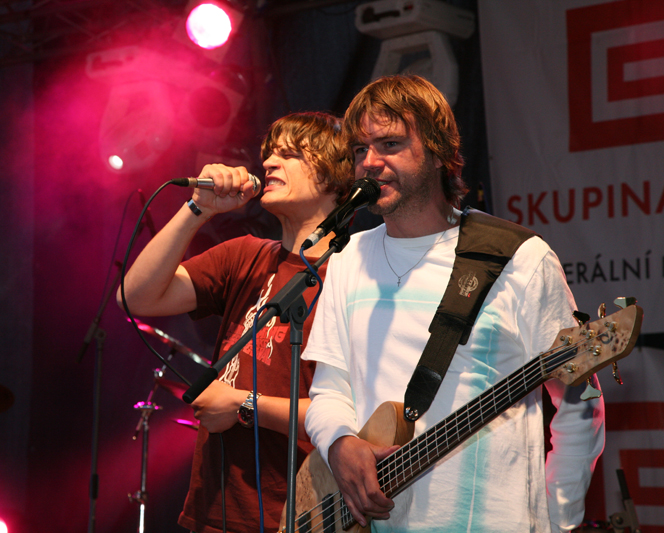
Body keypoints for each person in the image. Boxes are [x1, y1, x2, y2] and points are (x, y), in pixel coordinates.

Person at [302, 75, 605, 532]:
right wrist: (339, 443)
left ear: (439, 150)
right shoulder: (347, 258)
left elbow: (581, 400)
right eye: (360, 150)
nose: (370, 163)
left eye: (390, 144)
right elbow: (329, 390)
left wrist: (556, 518)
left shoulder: (517, 258)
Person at [117, 112, 353, 533]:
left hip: (301, 516)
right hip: (215, 511)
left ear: (335, 177)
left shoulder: (355, 277)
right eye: (270, 154)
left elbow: (354, 415)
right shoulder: (245, 255)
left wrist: (243, 405)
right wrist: (197, 209)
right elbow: (135, 297)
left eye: (290, 154)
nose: (269, 163)